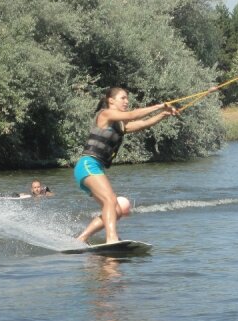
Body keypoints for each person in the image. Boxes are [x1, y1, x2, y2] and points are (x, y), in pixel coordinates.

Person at [73, 87, 179, 244]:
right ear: (111, 100)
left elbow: (143, 123)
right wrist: (158, 106)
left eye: (127, 98)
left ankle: (81, 239)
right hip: (88, 164)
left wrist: (164, 114)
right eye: (122, 98)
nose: (126, 101)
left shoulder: (120, 125)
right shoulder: (105, 114)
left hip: (95, 167)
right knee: (110, 200)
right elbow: (131, 115)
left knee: (116, 210)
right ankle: (112, 238)